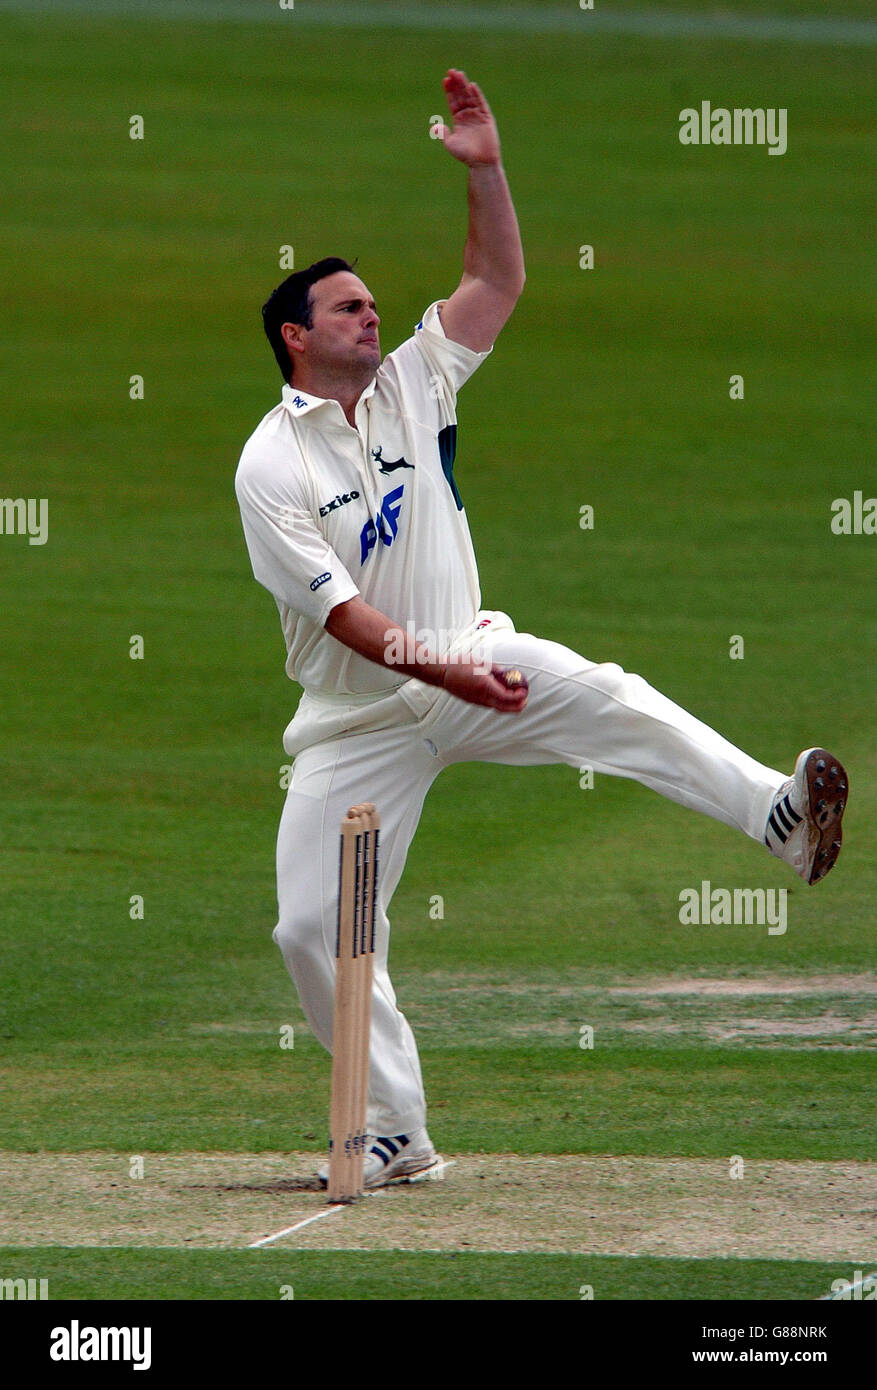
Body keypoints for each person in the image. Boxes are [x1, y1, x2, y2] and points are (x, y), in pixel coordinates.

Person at [235, 69, 848, 1188]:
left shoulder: (418, 376)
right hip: (360, 719)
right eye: (347, 307)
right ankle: (396, 1130)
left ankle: (778, 816)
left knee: (613, 695)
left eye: (375, 303)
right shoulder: (270, 464)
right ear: (294, 337)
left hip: (472, 649)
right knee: (309, 930)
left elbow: (494, 278)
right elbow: (350, 619)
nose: (373, 314)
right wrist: (442, 679)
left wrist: (489, 169)